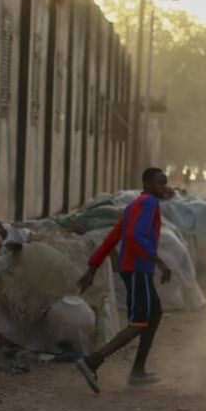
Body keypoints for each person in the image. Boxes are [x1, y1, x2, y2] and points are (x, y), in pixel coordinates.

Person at [74, 167, 173, 392]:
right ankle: (93, 361)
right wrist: (159, 261)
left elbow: (113, 237)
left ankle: (138, 371)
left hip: (135, 269)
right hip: (138, 269)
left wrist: (92, 267)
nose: (163, 187)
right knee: (139, 321)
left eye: (164, 182)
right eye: (159, 182)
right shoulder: (148, 203)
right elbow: (133, 236)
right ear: (147, 183)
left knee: (154, 313)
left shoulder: (134, 205)